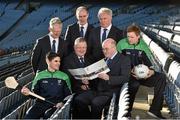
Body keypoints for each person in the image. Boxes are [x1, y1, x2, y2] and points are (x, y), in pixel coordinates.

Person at [116, 24, 166, 119]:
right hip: (128, 75)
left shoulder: (144, 46)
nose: (129, 39)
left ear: (138, 36)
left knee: (161, 77)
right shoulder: (121, 44)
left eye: (132, 37)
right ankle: (127, 113)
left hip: (142, 75)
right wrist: (128, 70)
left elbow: (150, 63)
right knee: (134, 85)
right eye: (128, 36)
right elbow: (116, 61)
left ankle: (155, 110)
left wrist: (151, 71)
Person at [21, 52, 71, 119]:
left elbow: (69, 95)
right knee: (28, 116)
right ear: (48, 61)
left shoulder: (64, 76)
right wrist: (27, 93)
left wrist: (63, 103)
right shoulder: (39, 75)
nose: (58, 63)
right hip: (41, 104)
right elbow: (34, 94)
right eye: (56, 61)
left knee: (48, 115)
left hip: (56, 104)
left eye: (59, 61)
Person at [91, 38, 131, 119]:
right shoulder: (104, 60)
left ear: (114, 48)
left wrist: (109, 78)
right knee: (80, 99)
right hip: (98, 90)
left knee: (95, 103)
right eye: (103, 49)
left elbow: (125, 78)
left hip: (112, 92)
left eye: (106, 49)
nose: (104, 51)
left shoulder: (124, 59)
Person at [62, 37, 96, 119]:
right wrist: (80, 85)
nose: (82, 50)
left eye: (84, 47)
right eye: (79, 47)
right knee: (79, 101)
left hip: (90, 90)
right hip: (76, 90)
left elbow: (95, 78)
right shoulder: (68, 60)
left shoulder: (90, 59)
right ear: (74, 48)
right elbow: (67, 80)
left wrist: (90, 82)